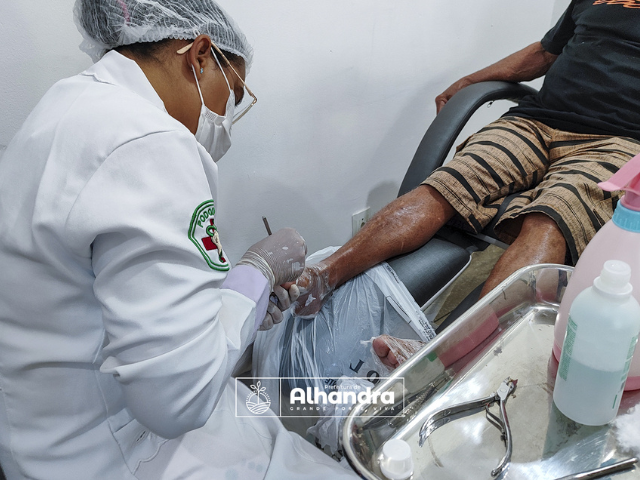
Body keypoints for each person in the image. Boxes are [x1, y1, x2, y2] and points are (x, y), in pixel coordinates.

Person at [0, 1, 357, 479]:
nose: (226, 119)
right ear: (201, 56)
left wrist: (240, 305)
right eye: (233, 95)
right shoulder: (148, 141)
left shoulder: (66, 105)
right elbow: (178, 401)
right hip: (115, 453)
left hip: (45, 436)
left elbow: (119, 289)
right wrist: (256, 273)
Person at [289, 0, 640, 367]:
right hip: (536, 122)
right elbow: (543, 52)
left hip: (619, 141)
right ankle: (320, 277)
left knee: (552, 218)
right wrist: (469, 81)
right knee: (447, 185)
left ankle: (446, 354)